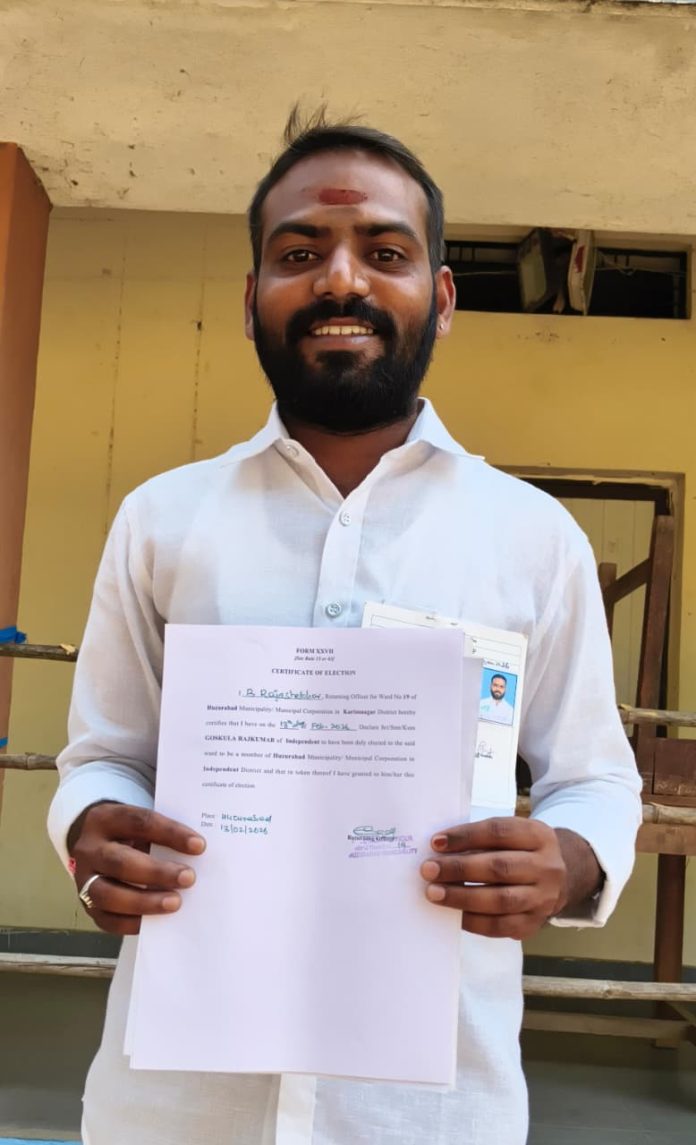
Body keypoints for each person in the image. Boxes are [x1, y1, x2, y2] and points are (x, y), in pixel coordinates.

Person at [48, 108, 642, 1145]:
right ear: (250, 301)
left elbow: (595, 778)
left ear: (441, 299)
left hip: (432, 1110)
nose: (339, 280)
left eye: (385, 252)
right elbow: (104, 757)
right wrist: (91, 832)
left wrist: (570, 858)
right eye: (299, 253)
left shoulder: (531, 537)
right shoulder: (162, 520)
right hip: (176, 1106)